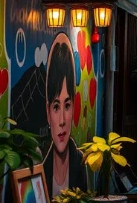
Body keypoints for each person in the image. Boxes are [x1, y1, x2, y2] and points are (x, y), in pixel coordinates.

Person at [44, 33, 86, 197]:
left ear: (74, 108)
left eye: (67, 105)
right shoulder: (40, 166)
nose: (62, 120)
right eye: (56, 107)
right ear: (48, 113)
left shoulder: (79, 161)